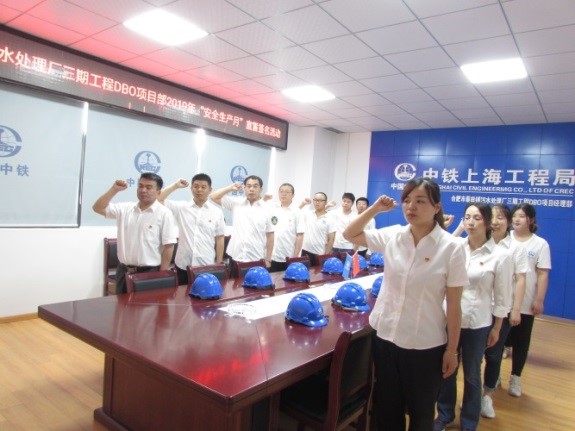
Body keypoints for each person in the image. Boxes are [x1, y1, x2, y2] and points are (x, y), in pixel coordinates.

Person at [343, 177, 468, 431]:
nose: (411, 206)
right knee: (387, 411)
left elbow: (454, 305)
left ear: (436, 207)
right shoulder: (394, 236)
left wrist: (452, 351)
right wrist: (375, 208)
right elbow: (350, 234)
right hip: (386, 337)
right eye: (407, 200)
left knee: (421, 414)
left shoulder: (452, 247)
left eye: (420, 201)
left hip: (425, 345)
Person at [435, 203, 513, 431]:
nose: (470, 222)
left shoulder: (501, 255)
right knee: (446, 369)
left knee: (471, 374)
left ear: (487, 222)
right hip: (449, 319)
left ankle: (469, 421)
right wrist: (454, 228)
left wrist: (497, 327)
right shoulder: (457, 247)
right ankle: (445, 415)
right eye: (467, 217)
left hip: (477, 323)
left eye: (477, 218)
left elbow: (502, 296)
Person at [92, 173, 178, 294]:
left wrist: (162, 274)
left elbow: (169, 246)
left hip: (150, 273)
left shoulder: (164, 213)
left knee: (147, 306)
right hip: (123, 271)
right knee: (121, 305)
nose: (143, 190)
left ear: (158, 192)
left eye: (148, 187)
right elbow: (97, 208)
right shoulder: (125, 209)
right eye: (140, 186)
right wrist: (114, 189)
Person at [505, 203, 551, 397]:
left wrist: (539, 299)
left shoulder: (540, 244)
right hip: (503, 299)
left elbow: (542, 274)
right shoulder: (504, 239)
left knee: (521, 342)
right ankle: (493, 377)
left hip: (525, 301)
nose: (517, 219)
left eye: (522, 216)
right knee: (498, 340)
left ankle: (516, 377)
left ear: (531, 220)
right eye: (515, 215)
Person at [159, 173, 226, 285]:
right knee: (181, 295)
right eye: (196, 186)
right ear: (191, 189)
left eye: (203, 187)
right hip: (183, 265)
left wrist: (219, 262)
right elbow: (158, 199)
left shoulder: (217, 212)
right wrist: (175, 186)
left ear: (210, 190)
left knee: (204, 294)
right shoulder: (181, 208)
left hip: (206, 264)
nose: (199, 190)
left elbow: (220, 238)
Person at [209, 175, 274, 276]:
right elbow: (213, 197)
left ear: (261, 189)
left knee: (254, 285)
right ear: (244, 188)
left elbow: (270, 235)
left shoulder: (268, 209)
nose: (251, 189)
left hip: (256, 258)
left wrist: (268, 259)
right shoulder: (236, 203)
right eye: (248, 186)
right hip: (236, 257)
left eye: (255, 186)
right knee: (234, 285)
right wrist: (230, 188)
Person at [266, 183, 305, 272]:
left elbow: (300, 236)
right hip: (272, 256)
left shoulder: (297, 212)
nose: (283, 194)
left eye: (287, 192)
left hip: (288, 257)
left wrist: (295, 258)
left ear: (293, 195)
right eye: (281, 191)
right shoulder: (273, 209)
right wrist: (267, 257)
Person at [299, 192, 336, 265]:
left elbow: (331, 239)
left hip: (319, 254)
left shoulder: (330, 218)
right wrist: (303, 204)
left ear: (325, 202)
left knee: (317, 272)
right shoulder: (308, 214)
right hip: (305, 251)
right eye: (315, 200)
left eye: (320, 200)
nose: (317, 202)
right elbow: (294, 214)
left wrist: (325, 255)